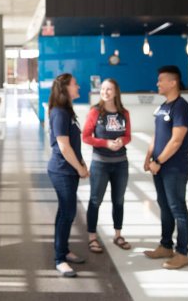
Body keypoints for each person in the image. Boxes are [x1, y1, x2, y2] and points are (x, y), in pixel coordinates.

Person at [143, 65, 188, 270]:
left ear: (173, 82)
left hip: (174, 167)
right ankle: (166, 246)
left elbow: (176, 140)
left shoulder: (181, 107)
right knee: (164, 206)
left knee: (177, 208)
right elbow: (157, 135)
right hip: (160, 167)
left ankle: (182, 253)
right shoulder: (163, 106)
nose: (158, 83)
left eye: (161, 80)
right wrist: (148, 157)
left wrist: (159, 162)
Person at [82, 78, 132, 254]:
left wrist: (121, 140)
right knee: (96, 200)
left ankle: (118, 235)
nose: (105, 92)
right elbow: (86, 136)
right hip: (100, 164)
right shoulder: (95, 112)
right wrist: (105, 143)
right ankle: (92, 237)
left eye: (109, 89)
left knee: (119, 201)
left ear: (116, 92)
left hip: (121, 164)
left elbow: (128, 136)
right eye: (103, 89)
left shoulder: (124, 113)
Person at [47, 73, 90, 277]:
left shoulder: (67, 111)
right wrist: (79, 168)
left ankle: (63, 250)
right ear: (65, 88)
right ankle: (59, 259)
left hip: (69, 169)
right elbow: (64, 147)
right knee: (68, 213)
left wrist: (81, 163)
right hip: (62, 170)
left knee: (65, 212)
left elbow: (73, 144)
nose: (78, 86)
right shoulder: (59, 113)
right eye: (75, 84)